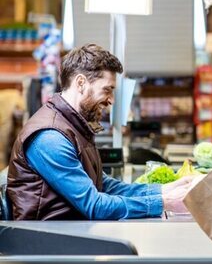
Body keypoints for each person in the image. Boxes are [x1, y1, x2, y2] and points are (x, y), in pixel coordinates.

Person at [7, 43, 192, 220]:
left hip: (72, 231)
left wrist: (164, 190)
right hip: (48, 242)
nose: (111, 100)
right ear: (80, 83)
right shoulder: (50, 137)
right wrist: (163, 203)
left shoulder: (75, 127)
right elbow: (94, 205)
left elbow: (104, 186)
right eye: (107, 90)